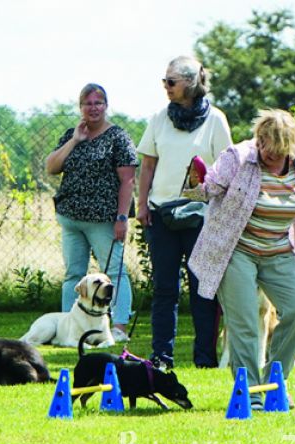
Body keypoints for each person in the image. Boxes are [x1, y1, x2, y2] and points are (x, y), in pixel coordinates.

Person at [188, 109, 295, 408]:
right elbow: (209, 187)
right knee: (243, 323)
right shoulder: (238, 156)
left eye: (277, 148)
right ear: (259, 137)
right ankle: (250, 392)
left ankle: (275, 381)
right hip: (236, 249)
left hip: (279, 250)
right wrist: (198, 183)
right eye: (264, 143)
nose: (268, 152)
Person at [136, 55, 232, 369]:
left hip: (201, 215)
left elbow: (226, 167)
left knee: (203, 288)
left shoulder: (216, 119)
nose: (166, 87)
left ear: (190, 83)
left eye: (171, 81)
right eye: (164, 81)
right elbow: (147, 164)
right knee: (165, 288)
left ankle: (204, 358)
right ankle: (161, 356)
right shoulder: (159, 118)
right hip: (161, 214)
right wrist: (141, 206)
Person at [45, 83, 138, 342]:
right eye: (88, 103)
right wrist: (75, 140)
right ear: (81, 107)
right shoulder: (71, 135)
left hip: (104, 220)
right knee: (73, 275)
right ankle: (68, 325)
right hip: (71, 217)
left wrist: (122, 218)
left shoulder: (118, 137)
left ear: (106, 106)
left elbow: (128, 181)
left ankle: (118, 327)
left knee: (114, 273)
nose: (93, 108)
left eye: (98, 103)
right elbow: (52, 167)